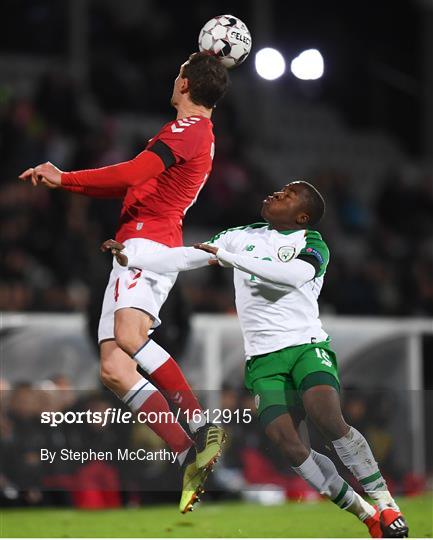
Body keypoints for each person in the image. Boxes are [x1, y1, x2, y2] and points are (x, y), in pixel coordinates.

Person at [103, 180, 409, 538]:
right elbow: (188, 256)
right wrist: (134, 257)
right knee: (290, 445)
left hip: (305, 346)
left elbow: (291, 278)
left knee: (326, 417)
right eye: (280, 190)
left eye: (288, 195)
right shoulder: (240, 234)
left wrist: (231, 258)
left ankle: (386, 504)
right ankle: (367, 515)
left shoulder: (311, 243)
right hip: (262, 359)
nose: (276, 194)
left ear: (302, 215)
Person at [18, 51, 230, 513]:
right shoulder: (193, 133)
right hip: (136, 241)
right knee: (114, 371)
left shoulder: (188, 130)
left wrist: (64, 176)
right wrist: (66, 184)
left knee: (131, 337)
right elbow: (127, 184)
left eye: (179, 75)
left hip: (148, 241)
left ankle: (200, 425)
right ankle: (187, 453)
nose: (174, 80)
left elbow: (134, 173)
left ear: (187, 85)